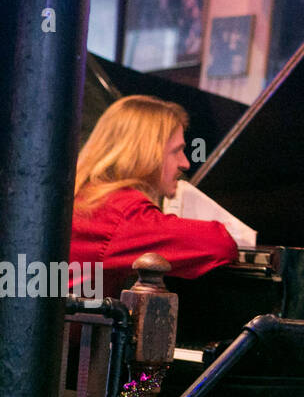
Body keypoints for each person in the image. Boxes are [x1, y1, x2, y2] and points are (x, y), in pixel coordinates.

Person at [71, 95, 239, 298]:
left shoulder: (86, 198)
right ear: (147, 153)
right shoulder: (119, 213)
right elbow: (219, 244)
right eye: (177, 151)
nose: (185, 163)